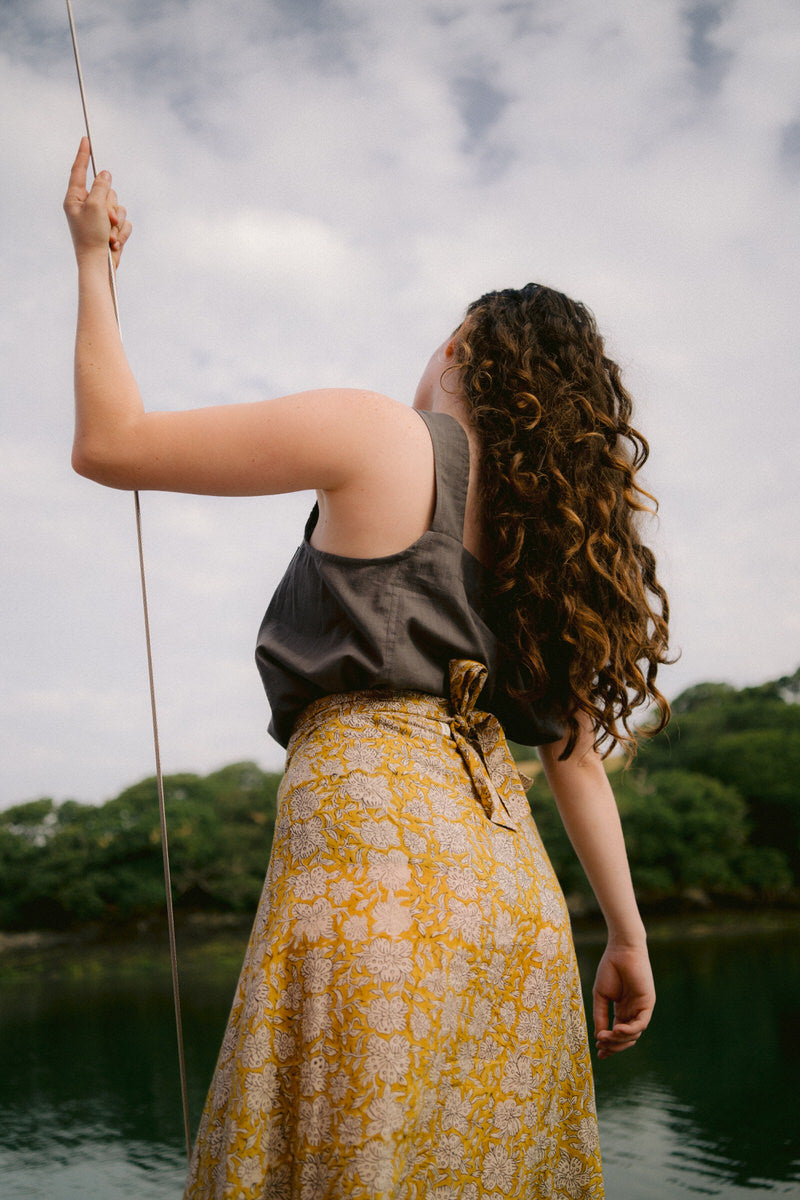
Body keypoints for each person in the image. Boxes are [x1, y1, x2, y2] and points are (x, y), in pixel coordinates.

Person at [64, 136, 669, 1200]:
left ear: (455, 348)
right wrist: (626, 938)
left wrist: (92, 264)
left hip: (367, 872)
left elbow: (113, 442)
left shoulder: (381, 434)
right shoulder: (548, 556)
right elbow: (572, 759)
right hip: (513, 899)